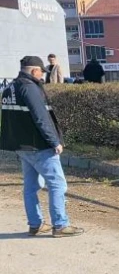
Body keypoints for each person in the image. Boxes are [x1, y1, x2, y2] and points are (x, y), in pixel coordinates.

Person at [0, 56, 85, 237]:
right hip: (39, 145)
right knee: (57, 184)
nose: (42, 76)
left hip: (21, 146)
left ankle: (35, 224)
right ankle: (60, 225)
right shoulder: (30, 88)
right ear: (34, 71)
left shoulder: (9, 88)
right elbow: (41, 118)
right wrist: (54, 142)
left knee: (30, 187)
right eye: (41, 72)